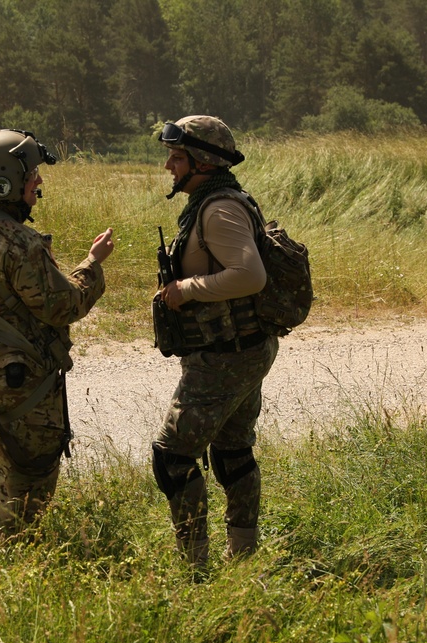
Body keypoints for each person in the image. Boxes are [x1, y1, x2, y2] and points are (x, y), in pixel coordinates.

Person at [0, 128, 114, 535]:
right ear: (6, 179)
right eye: (32, 173)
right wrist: (92, 264)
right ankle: (15, 557)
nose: (39, 181)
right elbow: (63, 306)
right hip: (19, 383)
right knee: (28, 476)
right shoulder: (21, 242)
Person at [151, 115, 279, 569]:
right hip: (238, 349)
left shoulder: (219, 208)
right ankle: (242, 556)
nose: (169, 164)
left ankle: (195, 568)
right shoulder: (215, 200)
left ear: (202, 161)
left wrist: (186, 290)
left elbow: (249, 275)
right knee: (231, 450)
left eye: (177, 156)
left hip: (226, 356)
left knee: (172, 457)